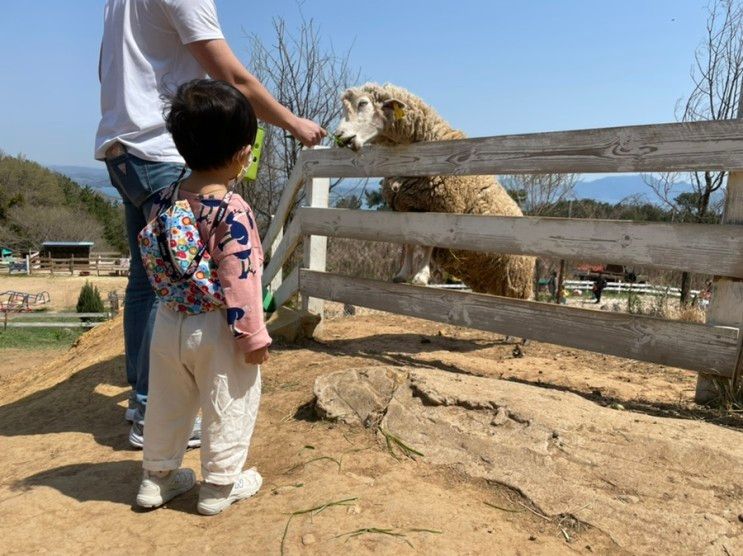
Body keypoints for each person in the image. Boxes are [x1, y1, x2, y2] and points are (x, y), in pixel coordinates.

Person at [95, 0, 325, 448]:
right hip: (161, 149)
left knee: (147, 283)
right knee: (191, 292)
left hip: (120, 146)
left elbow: (109, 67)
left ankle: (143, 401)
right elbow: (231, 77)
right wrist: (294, 123)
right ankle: (157, 410)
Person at [136, 79, 269, 514]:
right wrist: (251, 336)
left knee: (167, 402)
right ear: (241, 155)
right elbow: (240, 277)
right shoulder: (233, 212)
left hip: (168, 320)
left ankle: (156, 479)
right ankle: (219, 486)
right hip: (217, 326)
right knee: (230, 400)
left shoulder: (160, 201)